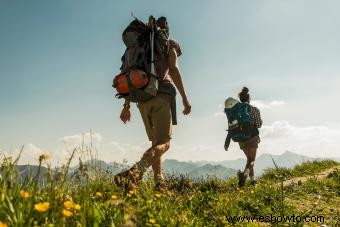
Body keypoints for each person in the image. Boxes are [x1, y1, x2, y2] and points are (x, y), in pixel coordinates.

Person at [115, 16, 191, 192]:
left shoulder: (138, 46)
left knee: (156, 142)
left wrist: (126, 106)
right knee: (165, 143)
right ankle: (133, 173)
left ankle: (159, 182)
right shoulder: (170, 43)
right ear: (166, 29)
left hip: (141, 98)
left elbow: (130, 75)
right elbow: (173, 68)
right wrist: (185, 99)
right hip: (162, 93)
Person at [224, 87, 262, 187]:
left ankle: (252, 181)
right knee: (252, 160)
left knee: (249, 160)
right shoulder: (253, 109)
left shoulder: (235, 110)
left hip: (240, 138)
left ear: (240, 99)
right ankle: (244, 176)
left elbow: (231, 126)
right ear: (249, 98)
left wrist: (227, 142)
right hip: (252, 136)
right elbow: (259, 124)